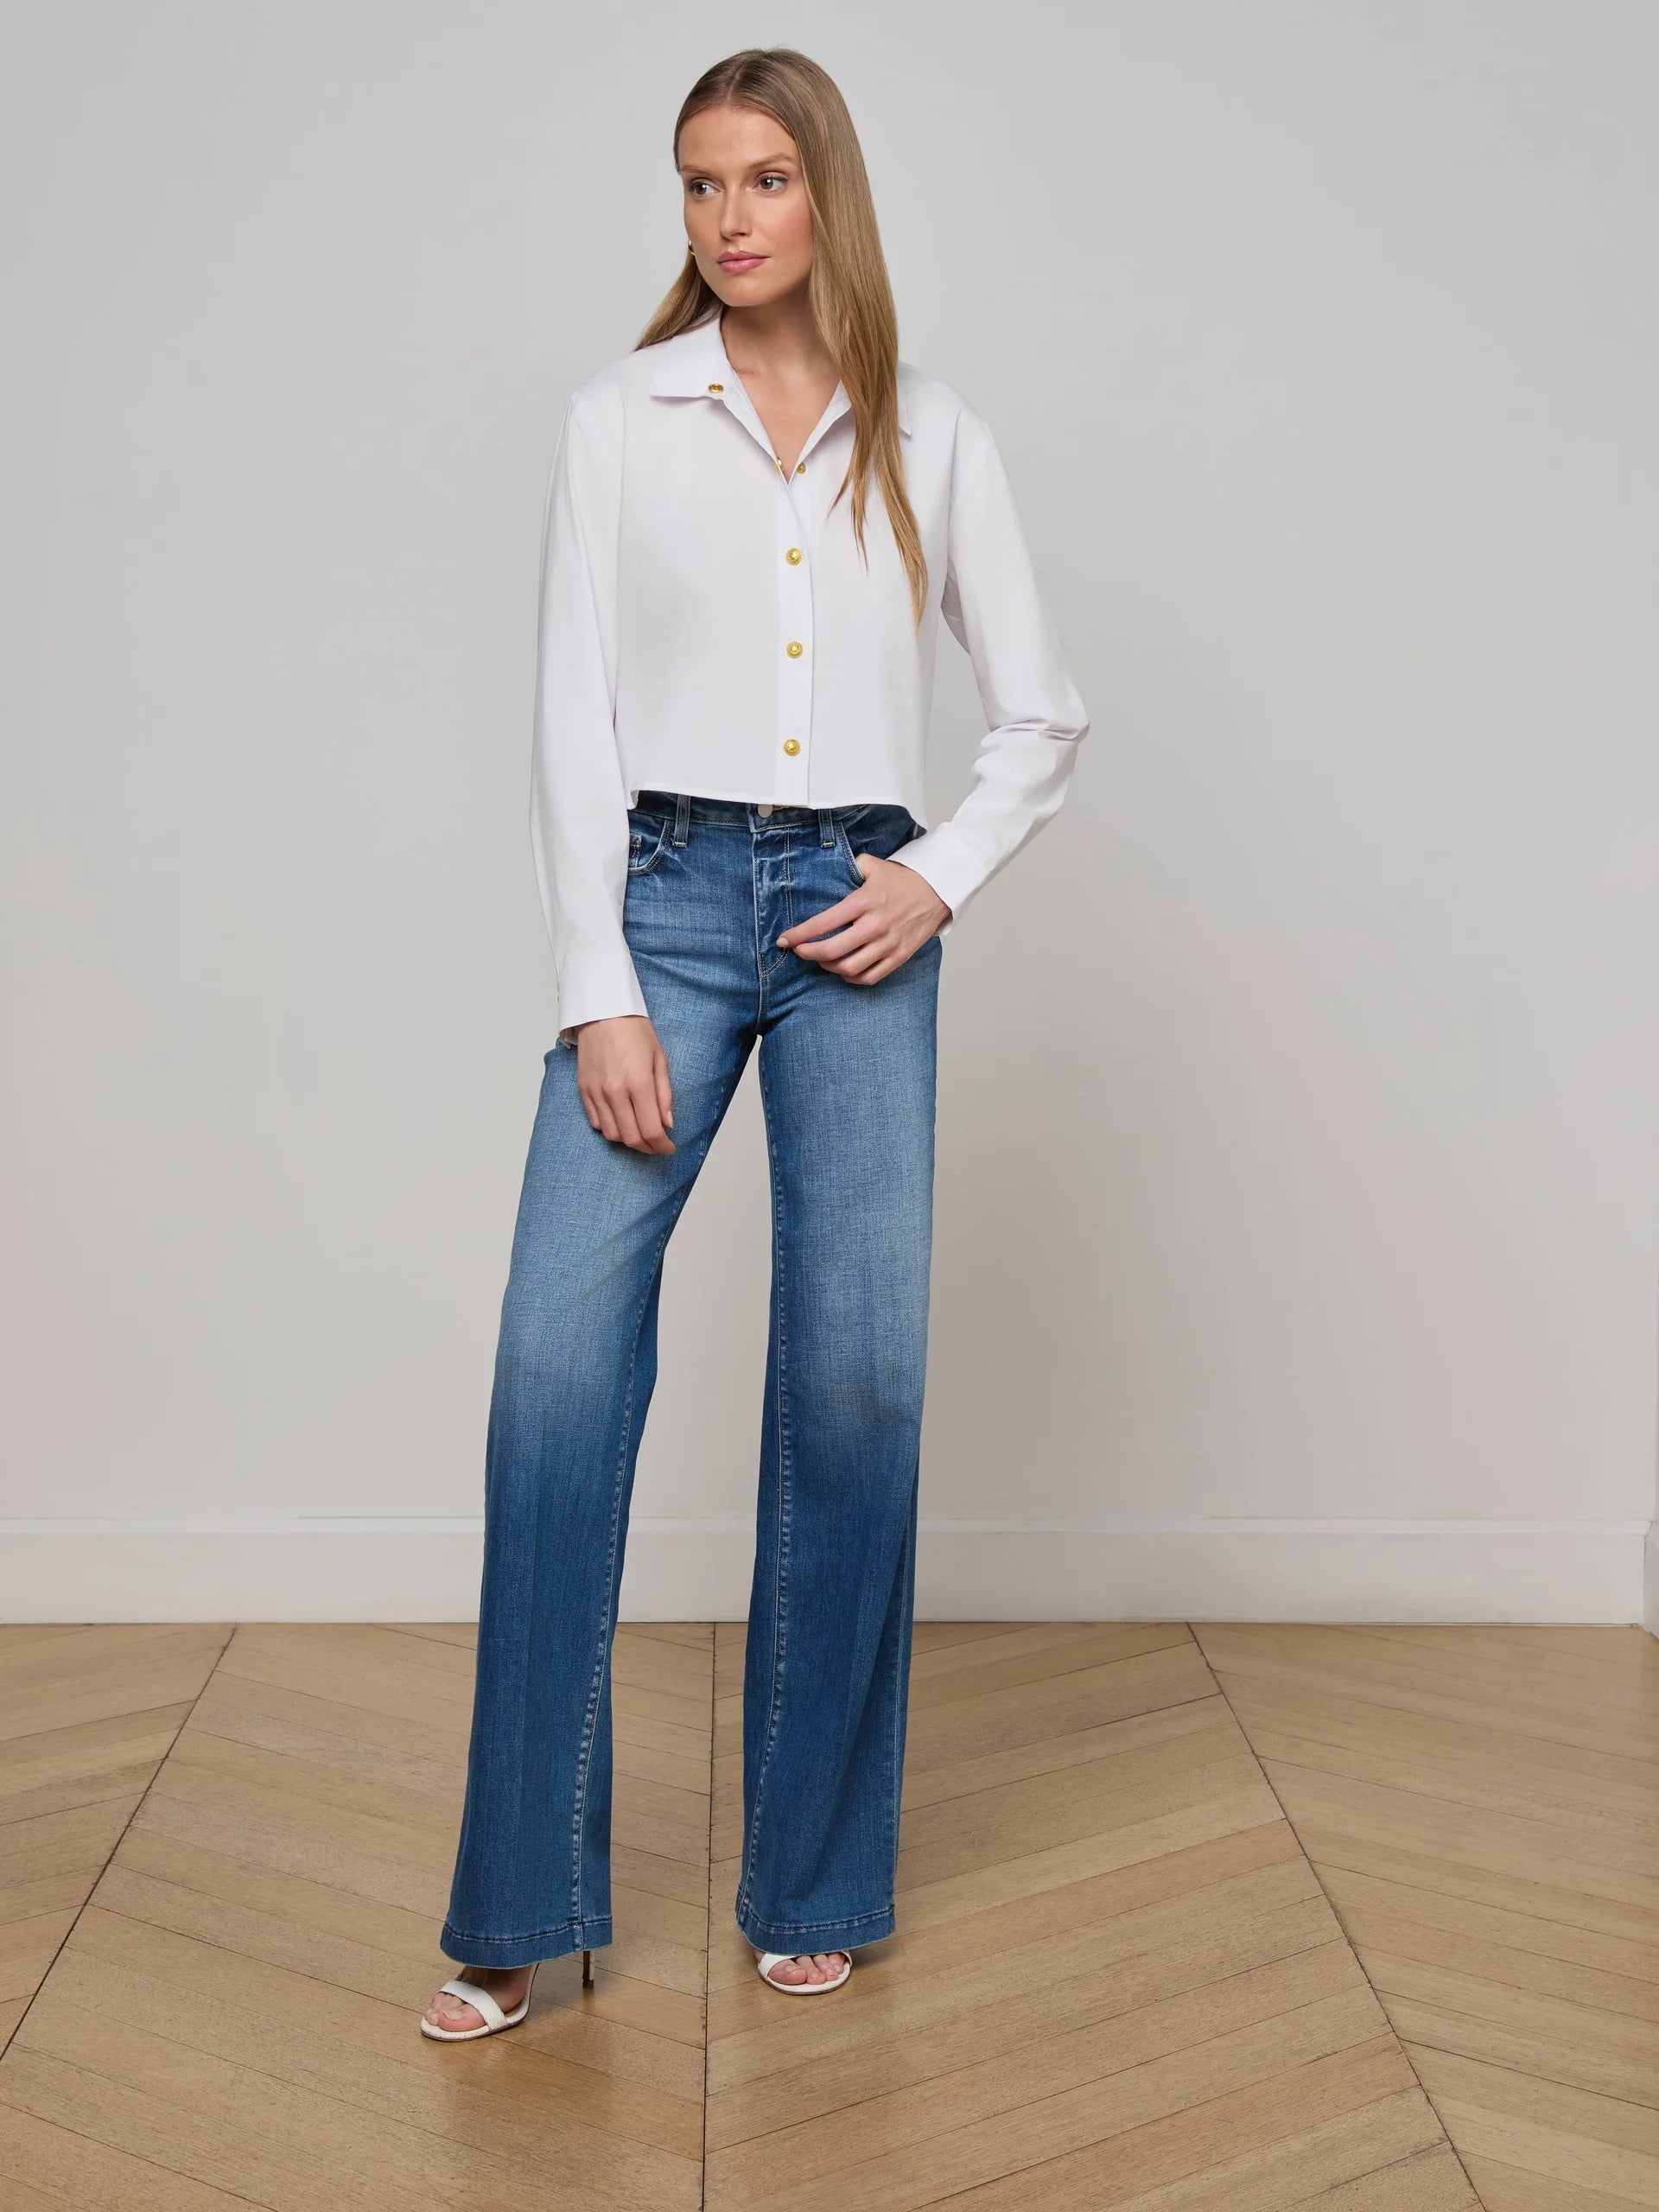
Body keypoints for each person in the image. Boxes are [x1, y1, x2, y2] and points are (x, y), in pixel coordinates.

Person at [422, 43, 1087, 2035]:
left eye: (765, 179)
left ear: (828, 195)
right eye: (701, 182)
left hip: (858, 913)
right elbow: (572, 711)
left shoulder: (933, 434)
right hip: (666, 903)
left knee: (858, 1383)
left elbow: (1043, 710)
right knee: (556, 1371)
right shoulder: (621, 417)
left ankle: (814, 1873)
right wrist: (598, 981)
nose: (728, 217)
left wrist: (937, 875)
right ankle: (520, 1900)